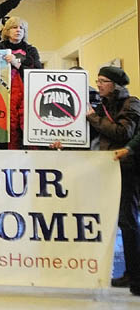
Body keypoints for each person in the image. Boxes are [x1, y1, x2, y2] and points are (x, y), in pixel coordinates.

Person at [86, 66, 140, 295]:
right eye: (97, 80)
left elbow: (122, 133)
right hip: (110, 169)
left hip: (127, 169)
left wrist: (92, 117)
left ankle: (136, 277)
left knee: (129, 222)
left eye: (103, 81)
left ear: (115, 84)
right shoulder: (104, 106)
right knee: (122, 222)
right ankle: (131, 273)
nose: (98, 84)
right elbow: (94, 134)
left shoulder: (131, 103)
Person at [0, 17, 41, 149]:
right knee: (9, 126)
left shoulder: (31, 51)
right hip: (4, 94)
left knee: (28, 123)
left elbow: (38, 73)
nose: (18, 30)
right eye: (14, 27)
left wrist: (16, 62)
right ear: (7, 31)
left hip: (27, 94)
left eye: (21, 28)